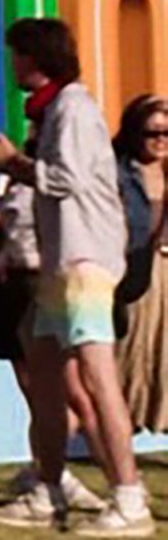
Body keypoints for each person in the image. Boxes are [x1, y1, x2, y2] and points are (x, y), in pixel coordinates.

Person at [0, 18, 152, 537]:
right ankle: (49, 486)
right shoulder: (53, 110)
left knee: (97, 376)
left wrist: (12, 163)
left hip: (84, 259)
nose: (12, 65)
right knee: (43, 369)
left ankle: (129, 496)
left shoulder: (73, 109)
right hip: (62, 261)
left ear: (35, 58)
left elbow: (67, 180)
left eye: (17, 55)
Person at [113, 90, 168, 457]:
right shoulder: (118, 173)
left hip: (165, 273)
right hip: (132, 273)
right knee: (129, 352)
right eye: (153, 133)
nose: (161, 141)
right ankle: (120, 431)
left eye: (167, 133)